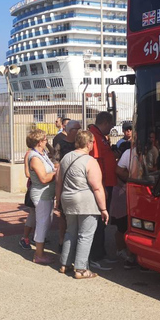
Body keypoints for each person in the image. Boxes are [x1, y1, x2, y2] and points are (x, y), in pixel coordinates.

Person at [55, 130, 108, 279]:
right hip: (85, 201)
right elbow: (97, 187)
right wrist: (103, 208)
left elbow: (58, 182)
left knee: (70, 231)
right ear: (89, 143)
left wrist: (58, 201)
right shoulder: (90, 161)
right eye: (92, 142)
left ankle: (65, 263)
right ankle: (81, 269)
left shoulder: (66, 158)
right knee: (85, 235)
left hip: (68, 199)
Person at [87, 112, 118, 271]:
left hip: (107, 184)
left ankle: (100, 252)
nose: (112, 127)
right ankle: (94, 255)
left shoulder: (100, 136)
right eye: (111, 124)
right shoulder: (94, 137)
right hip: (103, 186)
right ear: (105, 122)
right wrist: (101, 186)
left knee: (102, 222)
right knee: (98, 221)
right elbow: (98, 164)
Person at [26, 129, 58, 264]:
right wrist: (57, 173)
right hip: (41, 194)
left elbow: (50, 167)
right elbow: (44, 178)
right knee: (42, 224)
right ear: (39, 142)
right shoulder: (34, 157)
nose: (47, 141)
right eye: (45, 139)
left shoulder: (42, 153)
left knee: (46, 222)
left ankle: (41, 252)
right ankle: (38, 255)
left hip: (47, 194)